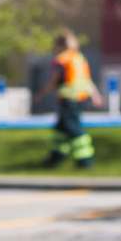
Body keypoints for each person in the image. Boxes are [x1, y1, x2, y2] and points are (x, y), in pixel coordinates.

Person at [40, 29, 104, 168]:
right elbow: (87, 79)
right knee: (61, 129)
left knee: (73, 128)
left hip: (68, 98)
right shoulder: (79, 58)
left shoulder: (62, 59)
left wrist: (42, 93)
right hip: (81, 97)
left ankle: (85, 160)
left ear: (59, 45)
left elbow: (54, 80)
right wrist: (95, 95)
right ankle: (56, 156)